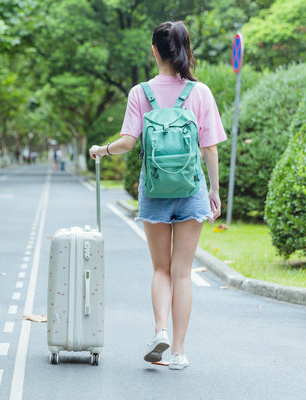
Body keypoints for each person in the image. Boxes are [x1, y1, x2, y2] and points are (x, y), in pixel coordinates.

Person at [88, 21, 226, 370]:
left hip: (154, 189)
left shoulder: (140, 93)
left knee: (161, 269)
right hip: (191, 189)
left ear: (154, 52)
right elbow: (209, 148)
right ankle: (178, 352)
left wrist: (101, 150)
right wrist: (214, 190)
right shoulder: (200, 93)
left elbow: (128, 143)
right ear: (185, 49)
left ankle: (159, 330)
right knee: (183, 272)